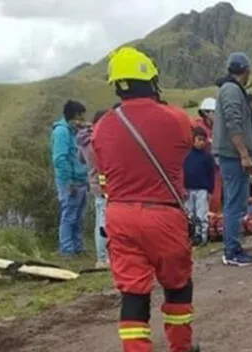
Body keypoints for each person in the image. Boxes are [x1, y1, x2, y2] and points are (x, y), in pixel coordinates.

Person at [92, 46, 199, 352]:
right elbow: (186, 147)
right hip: (164, 215)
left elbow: (105, 171)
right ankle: (181, 347)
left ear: (117, 85)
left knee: (134, 295)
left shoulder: (102, 127)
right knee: (178, 287)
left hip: (120, 216)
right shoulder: (176, 119)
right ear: (152, 82)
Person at [213, 52, 252, 267]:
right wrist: (244, 154)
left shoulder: (230, 89)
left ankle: (235, 246)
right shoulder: (231, 90)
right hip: (233, 156)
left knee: (238, 201)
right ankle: (231, 250)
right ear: (246, 71)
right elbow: (234, 122)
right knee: (233, 202)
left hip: (233, 155)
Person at [50, 99, 89, 257]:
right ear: (73, 116)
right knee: (69, 215)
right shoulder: (62, 132)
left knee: (79, 216)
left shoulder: (75, 132)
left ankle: (78, 247)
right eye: (79, 117)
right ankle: (66, 249)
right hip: (70, 181)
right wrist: (69, 182)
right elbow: (60, 159)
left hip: (81, 180)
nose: (81, 121)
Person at [77, 109, 108, 268]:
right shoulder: (99, 140)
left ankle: (102, 257)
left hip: (94, 183)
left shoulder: (84, 140)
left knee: (100, 221)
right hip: (105, 184)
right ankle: (103, 259)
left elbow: (81, 159)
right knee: (105, 223)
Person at [184, 127, 215, 246]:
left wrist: (210, 191)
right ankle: (190, 236)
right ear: (193, 140)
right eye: (199, 139)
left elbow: (211, 175)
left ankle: (202, 236)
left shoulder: (207, 157)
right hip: (188, 189)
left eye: (203, 140)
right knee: (189, 213)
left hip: (202, 189)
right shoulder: (186, 156)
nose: (201, 142)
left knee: (201, 214)